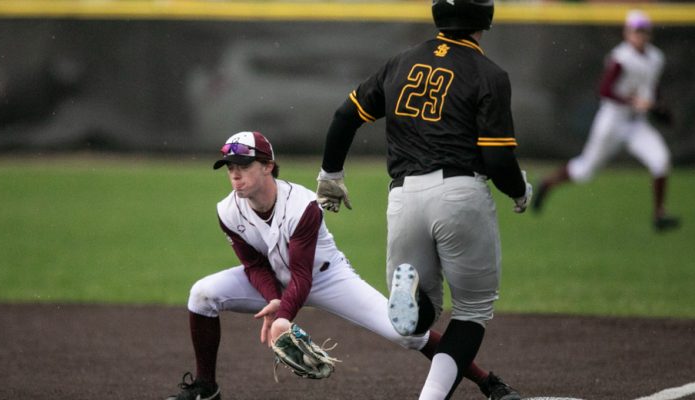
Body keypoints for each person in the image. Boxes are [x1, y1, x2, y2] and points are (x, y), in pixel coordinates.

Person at [166, 131, 518, 400]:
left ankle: (489, 383)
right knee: (202, 294)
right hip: (274, 278)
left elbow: (302, 276)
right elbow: (254, 264)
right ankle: (206, 388)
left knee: (408, 334)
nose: (234, 175)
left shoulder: (302, 204)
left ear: (268, 166)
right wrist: (274, 299)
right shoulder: (228, 210)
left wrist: (284, 315)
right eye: (229, 167)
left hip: (326, 277)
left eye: (243, 166)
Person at [314, 0, 530, 398]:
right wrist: (519, 190)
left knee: (415, 320)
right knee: (471, 312)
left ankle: (409, 298)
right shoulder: (489, 73)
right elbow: (498, 158)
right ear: (484, 18)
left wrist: (331, 174)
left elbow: (345, 116)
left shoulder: (401, 62)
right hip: (460, 193)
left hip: (403, 196)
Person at [532, 10, 680, 232]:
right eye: (636, 30)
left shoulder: (656, 58)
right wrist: (632, 101)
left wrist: (658, 105)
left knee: (660, 160)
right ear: (627, 32)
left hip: (636, 124)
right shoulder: (621, 58)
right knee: (585, 170)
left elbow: (651, 88)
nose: (640, 35)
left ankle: (659, 215)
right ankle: (547, 183)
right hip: (612, 120)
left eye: (644, 31)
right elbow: (603, 90)